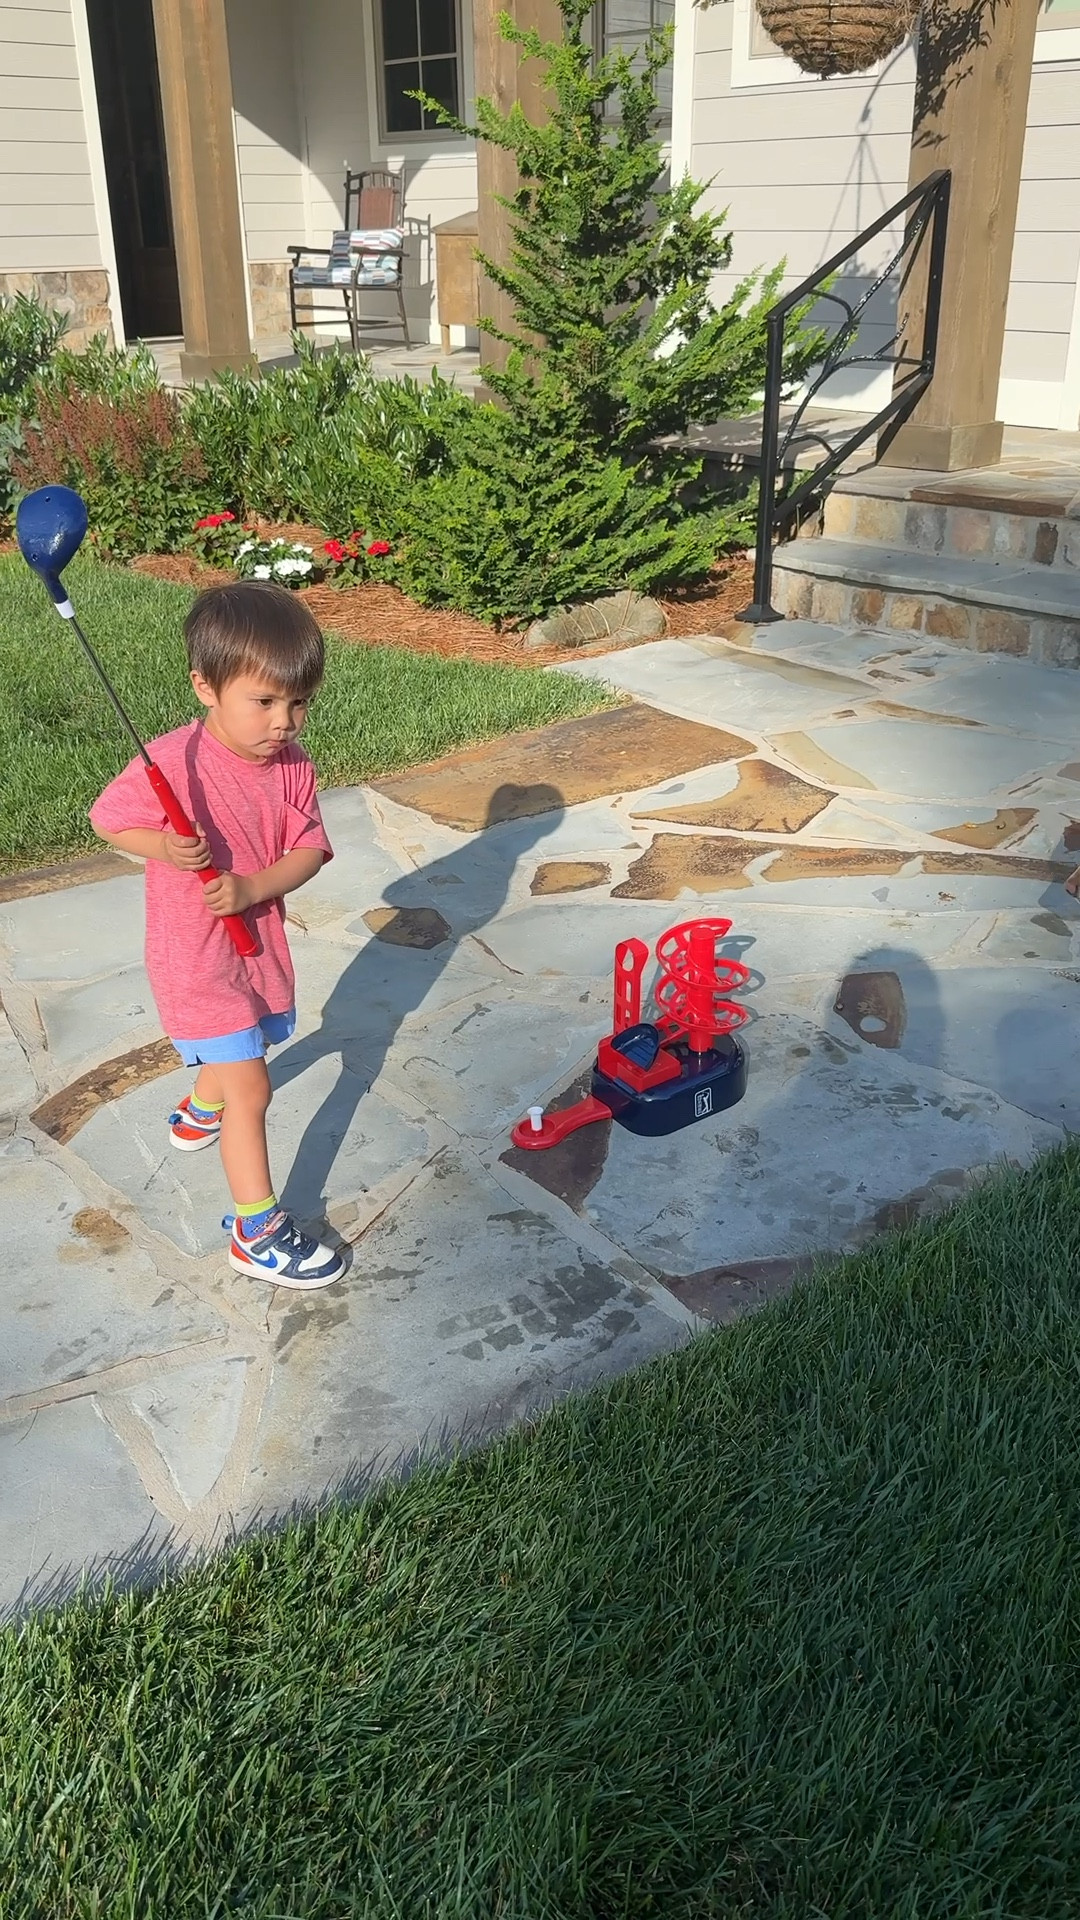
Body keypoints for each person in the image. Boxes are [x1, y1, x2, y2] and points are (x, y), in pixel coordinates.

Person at [90, 581, 344, 1290]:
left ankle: (201, 1107)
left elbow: (310, 848)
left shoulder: (294, 766)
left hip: (254, 940)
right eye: (264, 702)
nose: (284, 721)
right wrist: (166, 848)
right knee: (253, 1089)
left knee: (250, 1041)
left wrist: (253, 888)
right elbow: (106, 818)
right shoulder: (172, 763)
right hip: (193, 957)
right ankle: (256, 1232)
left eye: (298, 702)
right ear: (206, 686)